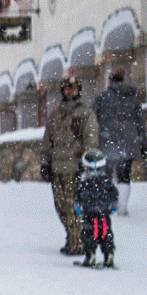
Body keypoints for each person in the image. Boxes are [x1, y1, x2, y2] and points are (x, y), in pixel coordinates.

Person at [42, 74, 99, 256]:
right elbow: (47, 141)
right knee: (61, 207)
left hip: (75, 168)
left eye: (73, 88)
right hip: (57, 168)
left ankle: (77, 241)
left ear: (78, 90)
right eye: (67, 88)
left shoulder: (85, 114)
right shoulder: (56, 115)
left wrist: (86, 162)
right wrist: (45, 163)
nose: (70, 92)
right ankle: (71, 237)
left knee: (74, 207)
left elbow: (91, 140)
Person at [92, 69, 147, 216]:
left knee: (106, 174)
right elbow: (140, 122)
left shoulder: (102, 97)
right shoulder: (133, 98)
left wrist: (94, 138)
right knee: (124, 175)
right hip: (129, 140)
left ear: (110, 81)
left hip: (107, 140)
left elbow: (93, 118)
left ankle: (108, 203)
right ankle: (122, 206)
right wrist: (142, 142)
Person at [73, 149, 118, 269]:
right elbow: (114, 193)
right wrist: (113, 205)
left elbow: (77, 194)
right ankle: (109, 254)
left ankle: (90, 255)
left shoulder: (83, 180)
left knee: (89, 233)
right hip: (104, 212)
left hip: (89, 212)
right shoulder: (106, 179)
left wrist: (78, 206)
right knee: (106, 233)